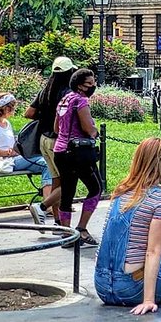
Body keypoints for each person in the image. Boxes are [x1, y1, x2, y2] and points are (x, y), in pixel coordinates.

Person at [94, 137, 161, 314]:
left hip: (102, 287)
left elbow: (143, 241)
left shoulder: (121, 192)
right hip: (131, 289)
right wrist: (148, 300)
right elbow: (152, 250)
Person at [54, 68, 104, 247]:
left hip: (60, 151)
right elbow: (88, 128)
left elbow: (56, 129)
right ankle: (81, 229)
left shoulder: (64, 100)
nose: (93, 86)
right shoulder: (81, 101)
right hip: (78, 153)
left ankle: (67, 235)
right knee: (96, 188)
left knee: (67, 191)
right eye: (89, 83)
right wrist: (94, 131)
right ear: (80, 86)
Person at [24, 55, 75, 226]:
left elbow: (29, 113)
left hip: (43, 140)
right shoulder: (67, 93)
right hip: (58, 141)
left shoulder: (46, 90)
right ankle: (42, 206)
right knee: (68, 181)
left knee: (56, 180)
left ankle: (59, 221)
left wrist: (45, 115)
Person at [0, 92, 54, 205]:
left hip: (16, 159)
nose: (14, 110)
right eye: (13, 108)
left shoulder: (7, 123)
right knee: (47, 163)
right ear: (6, 108)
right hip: (4, 161)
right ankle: (48, 205)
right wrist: (11, 153)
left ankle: (49, 203)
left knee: (49, 164)